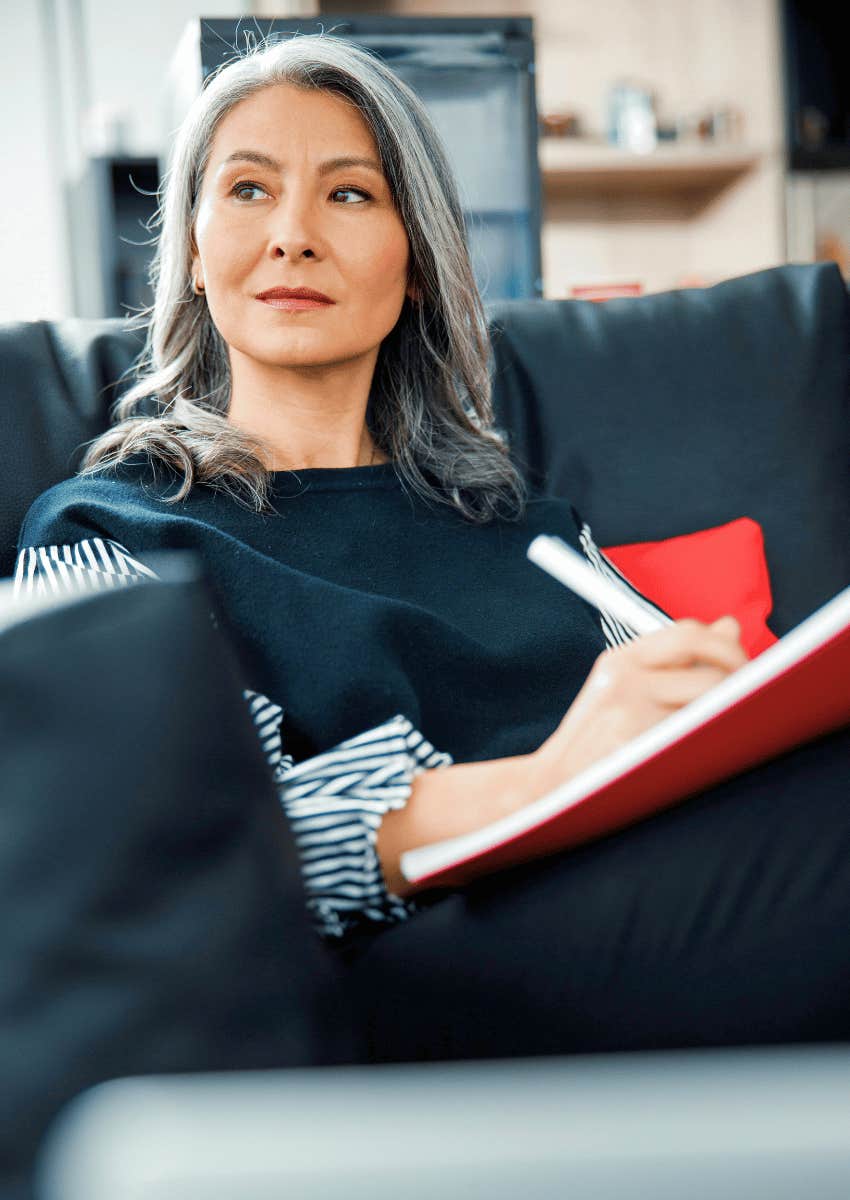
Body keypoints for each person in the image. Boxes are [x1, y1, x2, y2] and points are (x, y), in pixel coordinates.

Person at [16, 34, 850, 1060]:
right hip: (410, 969)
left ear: (415, 261)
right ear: (190, 249)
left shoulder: (518, 522)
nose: (292, 235)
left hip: (679, 878)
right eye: (245, 189)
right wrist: (551, 773)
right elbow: (192, 854)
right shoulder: (109, 536)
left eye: (351, 195)